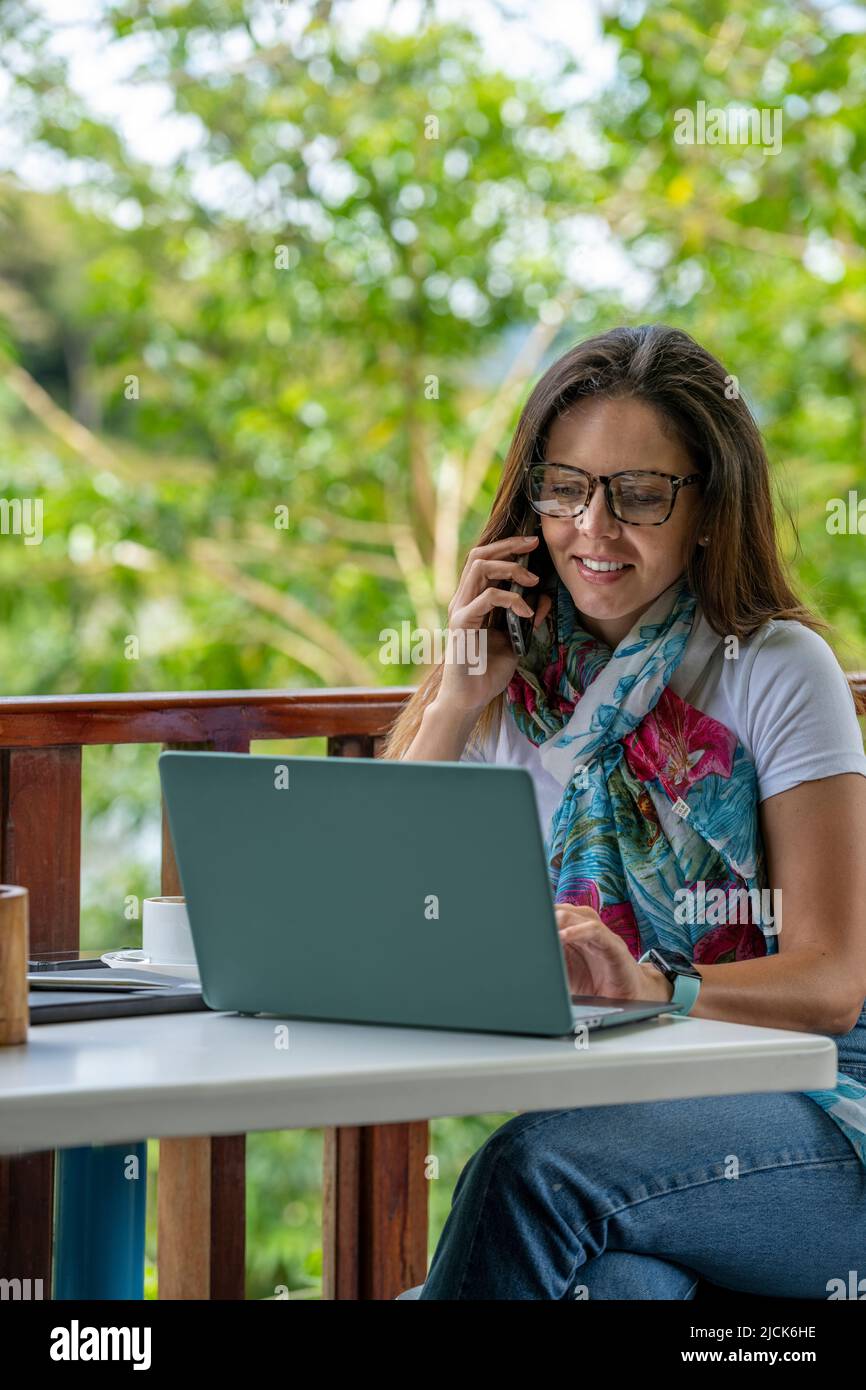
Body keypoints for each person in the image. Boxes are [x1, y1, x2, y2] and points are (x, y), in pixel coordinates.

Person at [383, 324, 866, 1300]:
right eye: (564, 486)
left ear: (705, 508)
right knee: (611, 1291)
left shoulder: (773, 668)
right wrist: (447, 705)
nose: (592, 528)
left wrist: (653, 987)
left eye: (638, 494)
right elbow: (385, 917)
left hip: (819, 1116)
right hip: (623, 1130)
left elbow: (832, 982)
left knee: (529, 1173)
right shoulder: (503, 679)